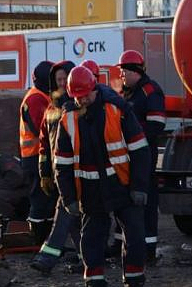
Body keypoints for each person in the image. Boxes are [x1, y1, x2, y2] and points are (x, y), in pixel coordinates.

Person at [54, 66, 150, 287]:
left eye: (86, 95)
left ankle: (134, 280)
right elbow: (63, 165)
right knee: (91, 240)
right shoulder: (68, 120)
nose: (83, 101)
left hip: (122, 184)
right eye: (77, 97)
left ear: (94, 88)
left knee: (135, 235)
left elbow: (140, 150)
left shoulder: (118, 110)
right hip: (91, 190)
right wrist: (68, 198)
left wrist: (139, 187)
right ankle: (95, 281)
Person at [31, 60, 82, 275]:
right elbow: (44, 142)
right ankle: (87, 256)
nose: (61, 83)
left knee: (65, 211)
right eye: (58, 79)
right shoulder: (52, 108)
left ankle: (46, 258)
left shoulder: (78, 106)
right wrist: (45, 174)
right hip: (58, 171)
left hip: (76, 171)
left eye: (65, 79)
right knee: (75, 217)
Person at [116, 50, 166, 262]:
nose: (122, 75)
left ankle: (148, 250)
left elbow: (157, 124)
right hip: (126, 158)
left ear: (135, 71)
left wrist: (132, 134)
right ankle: (121, 244)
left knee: (146, 202)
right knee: (124, 201)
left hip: (144, 157)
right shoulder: (127, 93)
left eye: (124, 71)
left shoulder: (149, 91)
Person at [21, 61, 55, 242]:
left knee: (45, 197)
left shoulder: (38, 96)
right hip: (35, 156)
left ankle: (43, 237)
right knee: (40, 197)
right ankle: (38, 238)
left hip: (35, 155)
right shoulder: (36, 99)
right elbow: (41, 129)